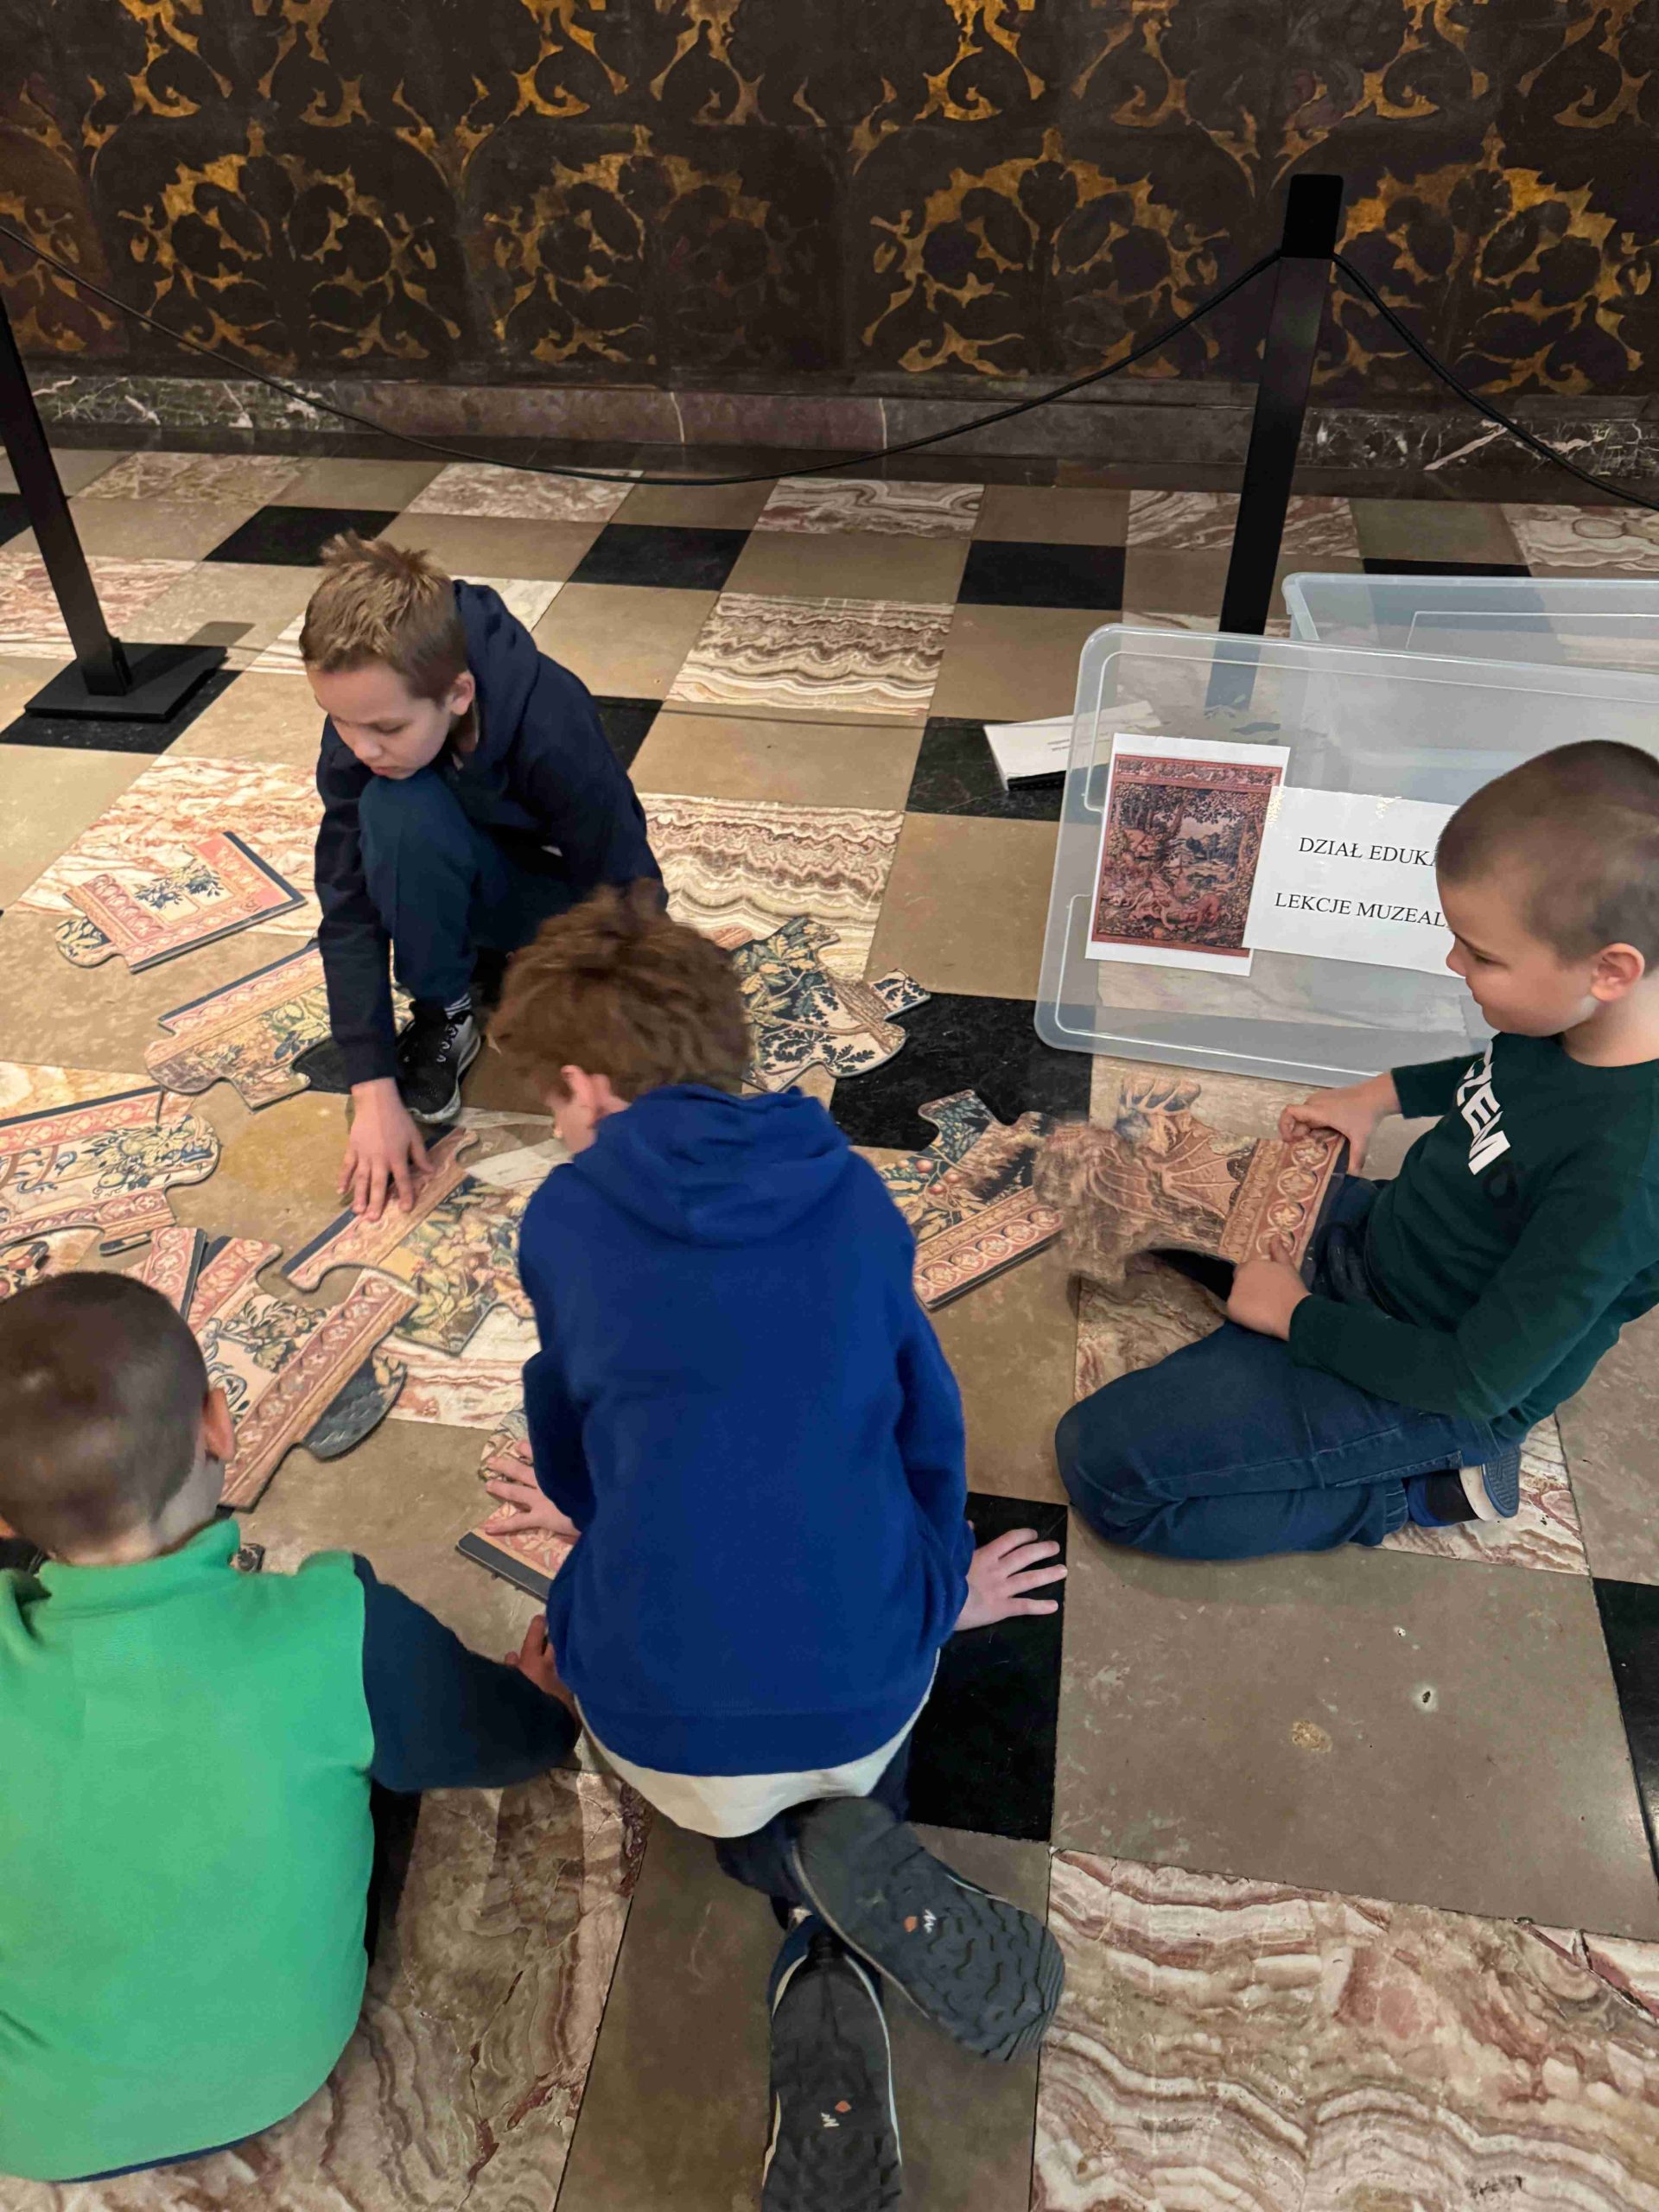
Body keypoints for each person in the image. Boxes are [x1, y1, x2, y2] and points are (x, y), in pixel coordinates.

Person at [482, 884, 1068, 2212]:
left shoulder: (562, 1222)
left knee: (628, 1633)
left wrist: (600, 1535)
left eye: (553, 1108)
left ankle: (792, 1876)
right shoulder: (855, 1195)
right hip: (869, 1690)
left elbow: (573, 1456)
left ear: (588, 1088)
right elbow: (927, 1426)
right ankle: (833, 1878)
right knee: (847, 1670)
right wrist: (941, 1589)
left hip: (663, 1734)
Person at [0, 1273, 577, 2186]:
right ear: (218, 1424)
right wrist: (542, 1703)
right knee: (380, 1743)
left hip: (30, 2126)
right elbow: (514, 1741)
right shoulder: (339, 1627)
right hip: (274, 2074)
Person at [1057, 738, 1659, 1560]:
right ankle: (1267, 1322)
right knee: (1133, 1182)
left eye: (1482, 955)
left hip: (1434, 1375)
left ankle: (1414, 1490)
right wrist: (1378, 1095)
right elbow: (1496, 1074)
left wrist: (1295, 1317)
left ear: (1611, 971)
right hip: (1382, 1240)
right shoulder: (1572, 1019)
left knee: (1105, 1467)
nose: (1454, 962)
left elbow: (1477, 1377)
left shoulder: (1627, 1176)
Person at [303, 532, 660, 1223]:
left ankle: (517, 970)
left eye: (386, 728)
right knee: (393, 808)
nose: (360, 747)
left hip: (550, 903)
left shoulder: (550, 717)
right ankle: (448, 1009)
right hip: (457, 878)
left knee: (598, 1003)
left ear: (459, 694)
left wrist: (624, 1045)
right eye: (338, 721)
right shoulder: (362, 724)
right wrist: (372, 1087)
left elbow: (624, 881)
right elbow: (348, 903)